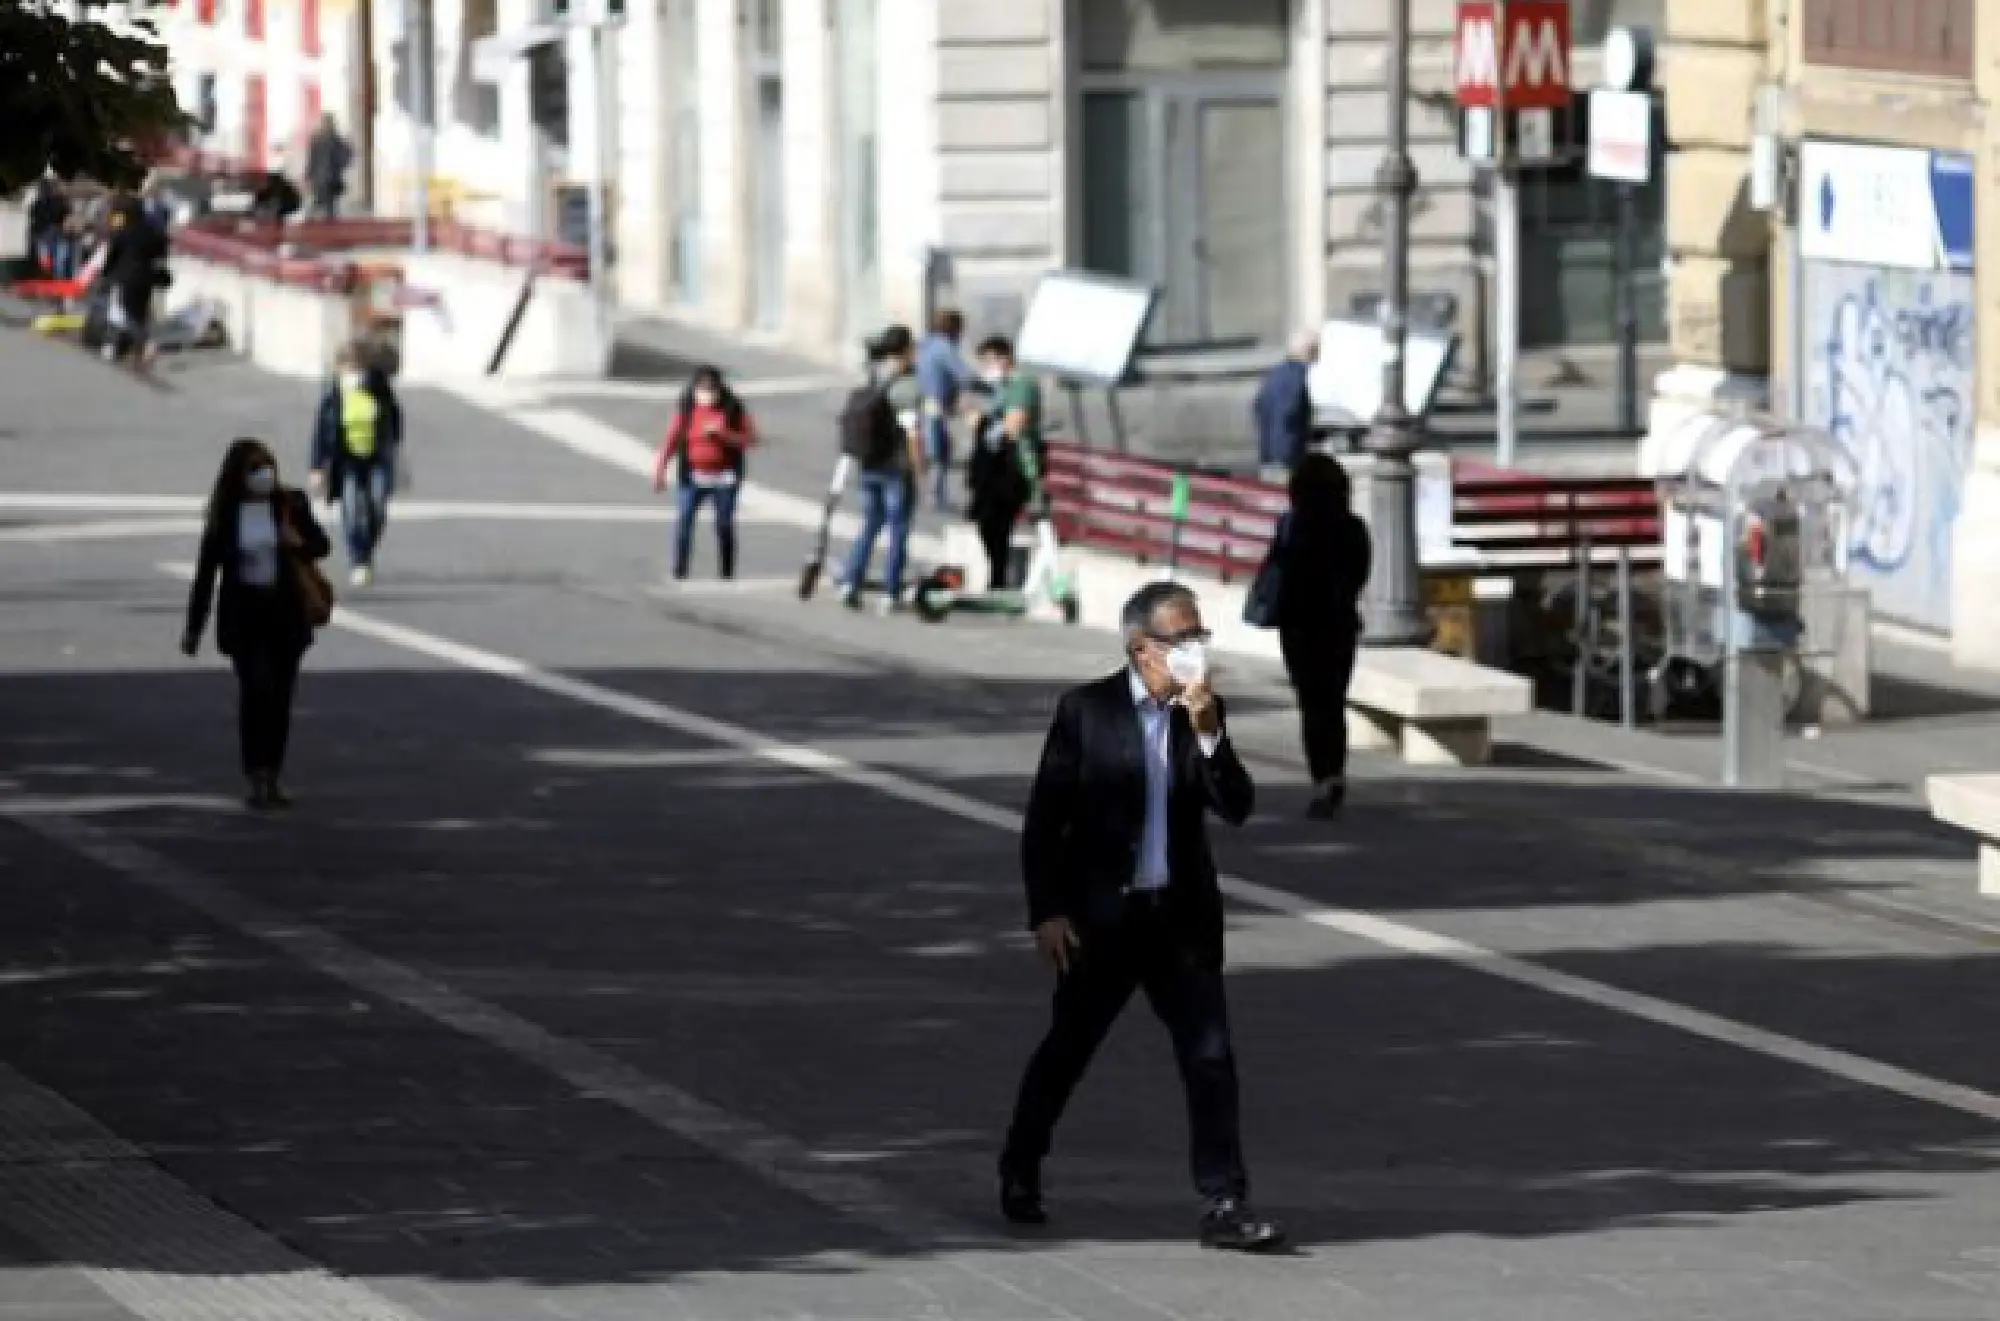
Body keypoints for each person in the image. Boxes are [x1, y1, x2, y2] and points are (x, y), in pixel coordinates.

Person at [999, 581, 1283, 1253]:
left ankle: (1225, 1199)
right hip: (1102, 921)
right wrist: (1047, 911)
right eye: (1182, 642)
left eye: (1200, 640)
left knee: (1210, 1056)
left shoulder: (1201, 713)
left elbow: (1237, 805)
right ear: (1140, 648)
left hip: (1178, 922)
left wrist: (1210, 731)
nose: (1194, 655)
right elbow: (1044, 822)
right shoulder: (1085, 712)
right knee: (1068, 1048)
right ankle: (1020, 1163)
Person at [181, 438, 333, 810]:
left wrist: (295, 541)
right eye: (253, 469)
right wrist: (194, 627)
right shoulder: (226, 514)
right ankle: (255, 773)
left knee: (280, 698)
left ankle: (273, 775)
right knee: (256, 691)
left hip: (284, 615)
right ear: (237, 475)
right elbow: (206, 574)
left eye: (267, 467)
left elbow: (321, 545)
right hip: (245, 616)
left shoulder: (290, 503)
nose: (262, 475)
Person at [1273, 454, 1372, 817]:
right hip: (1339, 625)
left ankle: (1322, 779)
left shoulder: (1292, 527)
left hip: (1298, 625)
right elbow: (1359, 573)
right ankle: (1335, 775)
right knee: (1333, 702)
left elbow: (1280, 573)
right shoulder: (1353, 528)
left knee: (1311, 704)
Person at [838, 324, 925, 614]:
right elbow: (911, 430)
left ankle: (851, 582)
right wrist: (919, 464)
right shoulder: (907, 385)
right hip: (896, 467)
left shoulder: (874, 375)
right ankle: (890, 591)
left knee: (869, 526)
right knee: (898, 529)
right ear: (907, 350)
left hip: (869, 462)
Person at [310, 343, 404, 587]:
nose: (353, 374)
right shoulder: (333, 396)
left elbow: (394, 417)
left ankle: (367, 548)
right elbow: (321, 432)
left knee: (377, 506)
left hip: (377, 458)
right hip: (346, 462)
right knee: (351, 510)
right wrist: (317, 467)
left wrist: (394, 447)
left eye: (357, 368)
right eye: (348, 368)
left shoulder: (379, 390)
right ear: (339, 369)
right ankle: (359, 560)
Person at [652, 365, 757, 580]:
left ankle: (726, 572)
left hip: (724, 477)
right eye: (702, 390)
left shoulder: (733, 409)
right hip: (693, 476)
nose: (706, 396)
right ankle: (680, 570)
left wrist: (724, 434)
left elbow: (750, 440)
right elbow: (671, 441)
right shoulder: (687, 410)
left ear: (719, 390)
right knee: (685, 521)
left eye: (711, 390)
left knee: (724, 524)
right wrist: (660, 471)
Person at [964, 334, 1045, 592]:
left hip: (1014, 466)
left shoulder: (1021, 386)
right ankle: (997, 574)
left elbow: (1014, 425)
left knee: (999, 521)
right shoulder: (1001, 387)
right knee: (987, 522)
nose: (986, 369)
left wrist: (983, 422)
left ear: (1005, 358)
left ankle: (998, 578)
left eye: (989, 362)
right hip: (993, 467)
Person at [99, 195, 169, 367]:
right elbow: (162, 251)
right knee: (141, 313)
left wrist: (105, 274)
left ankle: (147, 344)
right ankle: (138, 354)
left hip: (127, 277)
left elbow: (112, 256)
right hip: (147, 276)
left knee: (129, 314)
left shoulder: (122, 231)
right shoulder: (153, 230)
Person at [916, 308, 973, 510]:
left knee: (927, 447)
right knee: (940, 450)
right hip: (935, 403)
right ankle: (935, 495)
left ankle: (929, 492)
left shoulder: (924, 344)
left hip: (919, 402)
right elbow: (964, 374)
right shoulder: (945, 348)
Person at [1252, 329, 1319, 476]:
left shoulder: (1274, 373)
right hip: (1289, 457)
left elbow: (1257, 406)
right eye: (1317, 352)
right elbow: (1291, 411)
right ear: (1310, 352)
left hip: (1268, 453)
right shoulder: (1300, 376)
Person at [305, 116, 354, 220]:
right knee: (324, 203)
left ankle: (316, 220)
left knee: (324, 203)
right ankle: (323, 221)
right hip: (327, 178)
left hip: (326, 178)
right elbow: (312, 159)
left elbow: (312, 160)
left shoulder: (326, 139)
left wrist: (309, 175)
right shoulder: (330, 139)